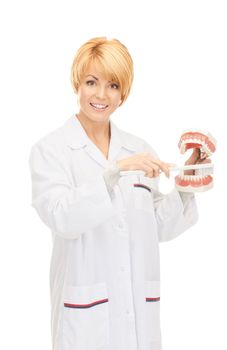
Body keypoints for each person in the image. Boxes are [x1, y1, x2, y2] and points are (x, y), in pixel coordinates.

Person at [28, 36, 204, 350]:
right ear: (77, 84)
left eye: (113, 85)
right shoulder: (51, 150)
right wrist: (114, 172)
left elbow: (156, 226)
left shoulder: (138, 148)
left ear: (123, 92)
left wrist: (185, 184)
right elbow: (60, 216)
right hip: (84, 318)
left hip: (136, 311)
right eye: (92, 82)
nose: (101, 95)